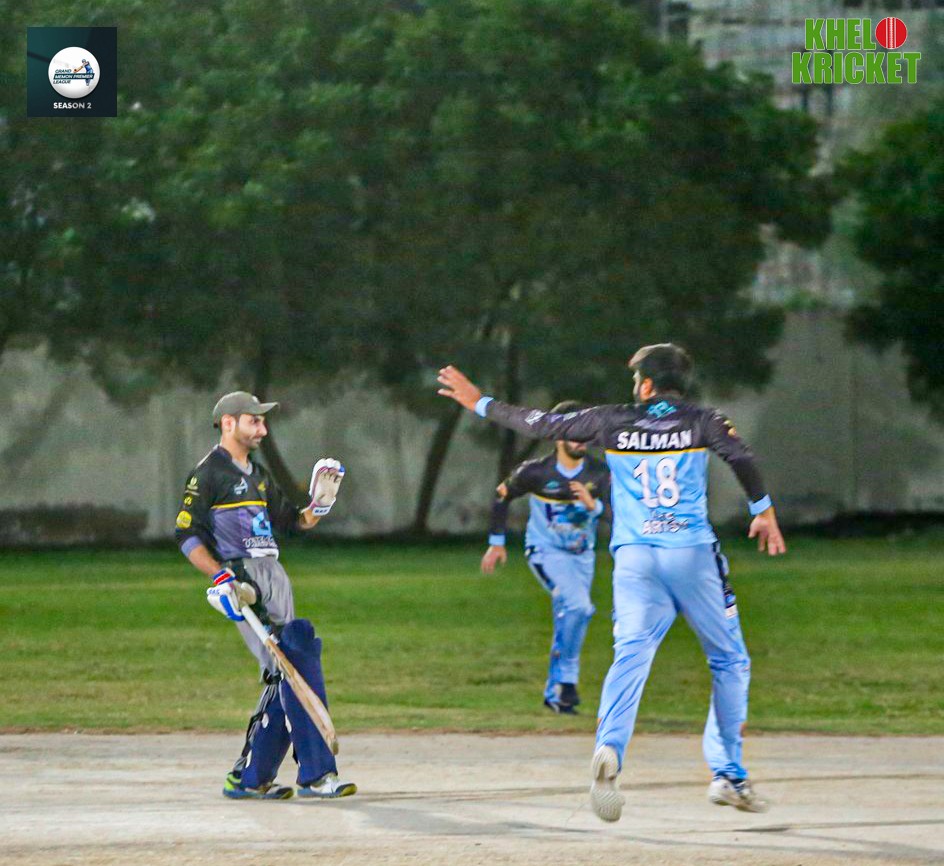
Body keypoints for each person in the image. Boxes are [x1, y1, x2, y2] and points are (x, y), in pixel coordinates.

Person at [437, 344, 786, 822]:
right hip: (690, 555)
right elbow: (740, 456)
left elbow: (540, 424)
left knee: (632, 653)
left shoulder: (611, 421)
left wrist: (480, 402)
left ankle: (610, 747)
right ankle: (728, 772)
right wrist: (762, 510)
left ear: (646, 384)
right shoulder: (705, 420)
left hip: (635, 558)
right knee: (729, 659)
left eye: (636, 379)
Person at [174, 391, 357, 801]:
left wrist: (319, 506)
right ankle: (316, 774)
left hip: (273, 572)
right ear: (228, 423)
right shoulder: (208, 474)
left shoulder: (257, 474)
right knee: (296, 655)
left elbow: (291, 522)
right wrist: (221, 577)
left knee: (283, 672)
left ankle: (250, 776)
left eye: (262, 421)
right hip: (243, 577)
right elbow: (186, 534)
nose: (262, 429)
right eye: (253, 421)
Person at [482, 401, 610, 714]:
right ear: (558, 434)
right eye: (575, 432)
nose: (581, 439)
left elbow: (618, 513)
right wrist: (496, 543)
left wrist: (594, 506)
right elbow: (502, 495)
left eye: (587, 432)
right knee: (579, 606)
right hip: (546, 552)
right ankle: (568, 680)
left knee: (570, 615)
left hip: (582, 557)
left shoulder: (599, 473)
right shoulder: (536, 472)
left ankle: (557, 693)